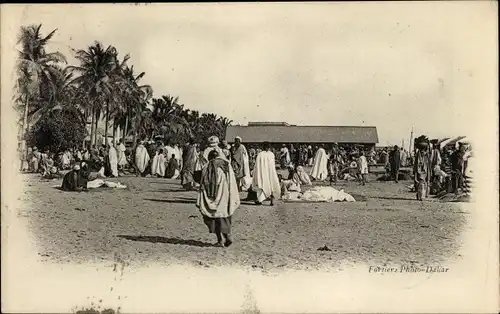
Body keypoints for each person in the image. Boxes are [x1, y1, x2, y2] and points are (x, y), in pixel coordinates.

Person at [196, 149, 240, 247]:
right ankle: (227, 236)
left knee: (212, 217)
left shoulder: (206, 167)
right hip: (224, 194)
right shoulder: (226, 165)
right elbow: (232, 182)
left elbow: (203, 183)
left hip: (211, 197)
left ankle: (220, 240)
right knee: (224, 215)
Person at [251, 141, 281, 206]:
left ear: (263, 147)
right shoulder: (271, 154)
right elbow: (273, 165)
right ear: (269, 147)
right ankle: (271, 201)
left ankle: (260, 200)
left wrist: (256, 173)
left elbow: (257, 166)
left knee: (261, 184)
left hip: (262, 173)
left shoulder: (260, 154)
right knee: (272, 185)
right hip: (271, 173)